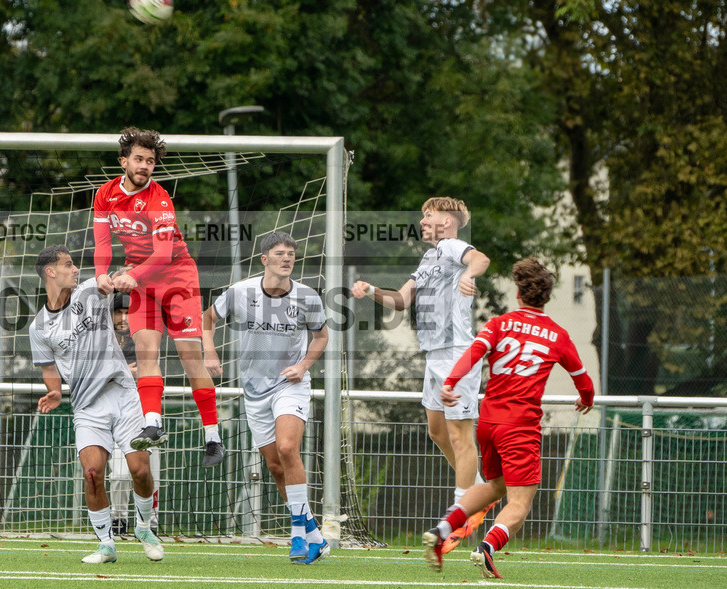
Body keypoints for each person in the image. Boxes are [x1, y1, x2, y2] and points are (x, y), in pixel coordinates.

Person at [422, 258, 594, 579]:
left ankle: (443, 528)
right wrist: (586, 400)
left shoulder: (500, 323)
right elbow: (584, 380)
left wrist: (450, 384)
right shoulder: (557, 335)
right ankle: (486, 547)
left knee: (496, 485)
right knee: (520, 502)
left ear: (518, 292)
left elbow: (473, 353)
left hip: (488, 423)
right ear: (546, 296)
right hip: (520, 426)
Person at [351, 196, 492, 551]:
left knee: (461, 436)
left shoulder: (452, 246)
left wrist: (469, 277)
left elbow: (481, 259)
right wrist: (370, 290)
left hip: (457, 352)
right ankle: (479, 489)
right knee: (436, 431)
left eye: (428, 215)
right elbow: (401, 300)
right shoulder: (430, 256)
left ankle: (462, 515)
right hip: (434, 355)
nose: (423, 220)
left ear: (446, 221)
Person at [92, 127, 224, 467]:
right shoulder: (104, 195)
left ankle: (213, 436)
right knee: (146, 350)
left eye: (151, 161)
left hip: (176, 274)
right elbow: (103, 244)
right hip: (139, 279)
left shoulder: (159, 199)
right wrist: (102, 275)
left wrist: (130, 276)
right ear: (124, 161)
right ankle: (153, 423)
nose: (145, 166)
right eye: (139, 159)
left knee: (188, 355)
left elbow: (164, 254)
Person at [201, 232, 330, 564]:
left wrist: (303, 365)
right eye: (279, 253)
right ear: (264, 259)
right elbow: (206, 320)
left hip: (290, 385)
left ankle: (298, 535)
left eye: (291, 253)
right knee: (275, 466)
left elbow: (322, 335)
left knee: (288, 448)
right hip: (254, 391)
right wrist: (209, 349)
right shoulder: (240, 292)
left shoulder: (307, 296)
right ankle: (316, 536)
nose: (286, 258)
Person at [29, 245, 163, 564]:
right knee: (92, 473)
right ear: (50, 272)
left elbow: (112, 279)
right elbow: (49, 368)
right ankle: (106, 544)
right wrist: (55, 392)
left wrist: (124, 276)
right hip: (87, 406)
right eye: (68, 264)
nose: (76, 269)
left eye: (75, 265)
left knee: (139, 470)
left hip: (124, 394)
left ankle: (144, 526)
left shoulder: (90, 290)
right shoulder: (38, 328)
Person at [108, 290, 160, 535]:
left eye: (128, 312)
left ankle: (149, 523)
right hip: (114, 416)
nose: (123, 317)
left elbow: (152, 373)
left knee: (148, 473)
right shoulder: (101, 343)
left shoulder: (144, 341)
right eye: (118, 311)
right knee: (118, 473)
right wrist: (123, 372)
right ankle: (118, 520)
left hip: (143, 415)